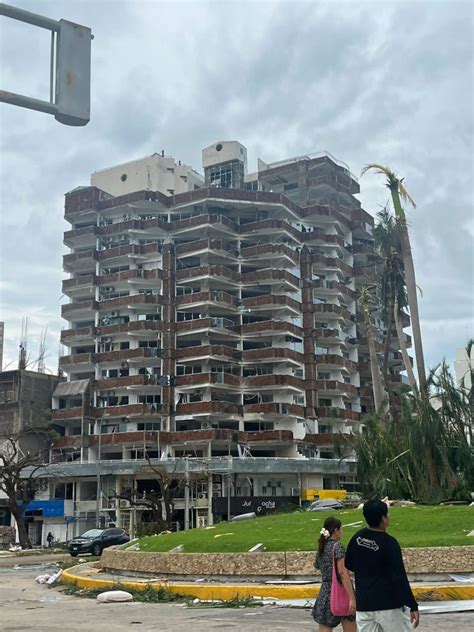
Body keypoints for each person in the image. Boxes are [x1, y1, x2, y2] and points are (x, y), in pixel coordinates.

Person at [345, 498, 420, 631]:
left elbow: (349, 564)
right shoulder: (389, 543)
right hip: (389, 604)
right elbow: (400, 576)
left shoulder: (357, 538)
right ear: (383, 519)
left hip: (365, 604)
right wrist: (412, 604)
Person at [312, 516, 357, 632]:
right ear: (336, 530)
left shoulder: (322, 548)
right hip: (342, 591)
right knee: (350, 626)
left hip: (326, 593)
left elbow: (317, 565)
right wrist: (352, 597)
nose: (342, 532)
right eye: (341, 529)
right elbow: (342, 573)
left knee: (325, 628)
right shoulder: (337, 547)